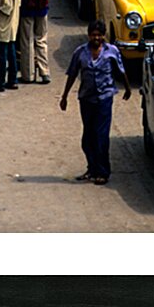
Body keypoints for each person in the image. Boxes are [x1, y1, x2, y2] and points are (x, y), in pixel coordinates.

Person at [59, 20, 131, 185]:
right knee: (88, 137)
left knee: (101, 136)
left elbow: (121, 70)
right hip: (86, 99)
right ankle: (92, 168)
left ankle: (103, 172)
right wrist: (64, 96)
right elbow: (72, 74)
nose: (96, 38)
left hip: (104, 99)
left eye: (99, 35)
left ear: (103, 36)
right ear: (88, 35)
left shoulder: (111, 51)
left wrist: (127, 89)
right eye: (93, 35)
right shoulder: (80, 52)